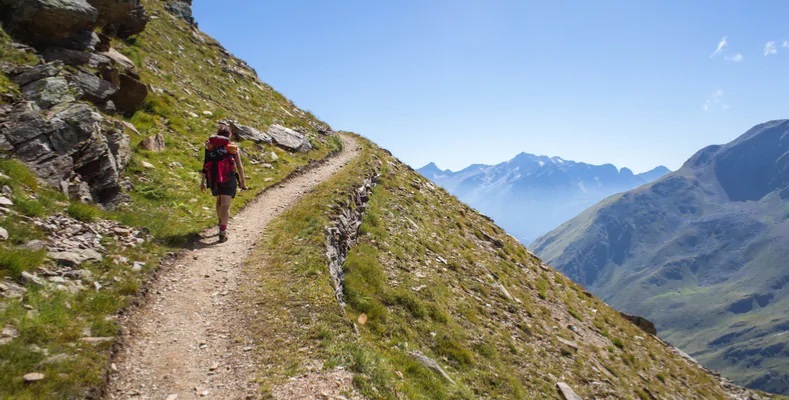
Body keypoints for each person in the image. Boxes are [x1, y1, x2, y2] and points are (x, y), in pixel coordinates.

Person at [200, 124, 247, 242]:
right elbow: (240, 167)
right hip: (228, 178)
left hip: (214, 178)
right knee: (225, 205)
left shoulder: (210, 147)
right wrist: (242, 182)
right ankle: (222, 231)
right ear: (229, 135)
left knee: (219, 201)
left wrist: (203, 182)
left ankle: (220, 222)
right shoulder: (231, 148)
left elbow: (205, 165)